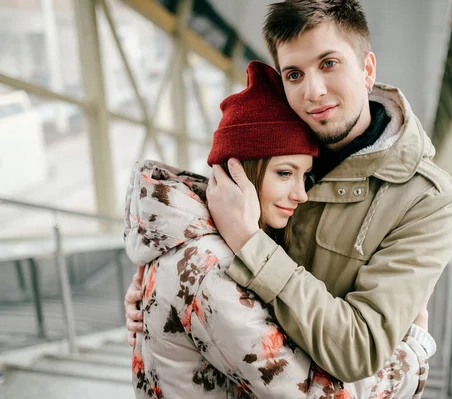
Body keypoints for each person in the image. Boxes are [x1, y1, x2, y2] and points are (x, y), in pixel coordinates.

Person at [125, 61, 436, 399]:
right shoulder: (207, 269)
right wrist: (414, 352)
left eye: (305, 176)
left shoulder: (201, 244)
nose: (301, 194)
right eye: (285, 173)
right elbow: (317, 394)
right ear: (239, 171)